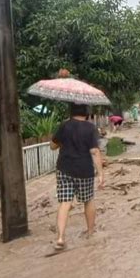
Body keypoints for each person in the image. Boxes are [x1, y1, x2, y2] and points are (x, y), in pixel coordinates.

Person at [50, 103, 105, 250]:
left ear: (71, 111)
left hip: (64, 169)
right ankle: (90, 232)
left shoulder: (64, 126)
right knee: (88, 200)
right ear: (87, 113)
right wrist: (100, 174)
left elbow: (52, 146)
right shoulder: (91, 128)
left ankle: (60, 238)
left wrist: (63, 141)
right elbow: (94, 151)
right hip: (84, 171)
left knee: (65, 202)